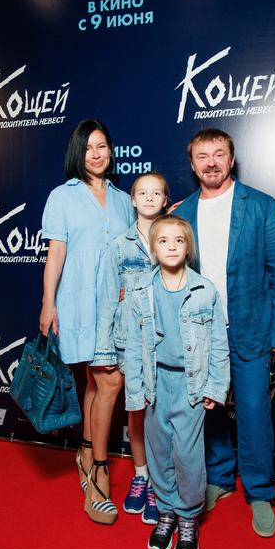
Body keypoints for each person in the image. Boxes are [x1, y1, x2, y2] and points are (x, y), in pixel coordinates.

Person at [176, 127, 275, 537]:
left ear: (231, 159)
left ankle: (259, 492)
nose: (211, 162)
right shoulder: (182, 212)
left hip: (251, 330)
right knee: (209, 411)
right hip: (202, 333)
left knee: (255, 413)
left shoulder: (261, 206)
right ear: (193, 165)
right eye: (202, 156)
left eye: (218, 154)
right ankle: (220, 478)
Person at [39, 119, 135, 525]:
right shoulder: (62, 196)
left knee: (99, 382)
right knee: (106, 381)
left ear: (111, 151)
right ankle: (98, 470)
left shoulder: (123, 200)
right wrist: (48, 302)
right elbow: (56, 253)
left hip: (115, 307)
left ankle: (84, 452)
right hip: (78, 302)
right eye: (89, 147)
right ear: (77, 152)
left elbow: (134, 247)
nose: (96, 154)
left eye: (102, 146)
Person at [124, 215, 230, 549]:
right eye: (163, 241)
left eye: (179, 241)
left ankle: (188, 517)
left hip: (191, 385)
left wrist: (215, 386)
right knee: (159, 451)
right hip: (155, 384)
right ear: (153, 249)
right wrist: (135, 392)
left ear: (188, 248)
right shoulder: (141, 291)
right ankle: (166, 511)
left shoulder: (205, 291)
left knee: (187, 454)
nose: (171, 247)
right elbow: (133, 347)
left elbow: (218, 345)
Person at [94, 172, 170, 525]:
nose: (149, 198)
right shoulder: (119, 246)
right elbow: (108, 299)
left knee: (161, 415)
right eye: (143, 192)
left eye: (157, 193)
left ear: (165, 200)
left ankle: (158, 483)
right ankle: (141, 476)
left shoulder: (174, 238)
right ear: (133, 200)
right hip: (129, 343)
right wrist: (105, 350)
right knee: (137, 412)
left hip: (166, 343)